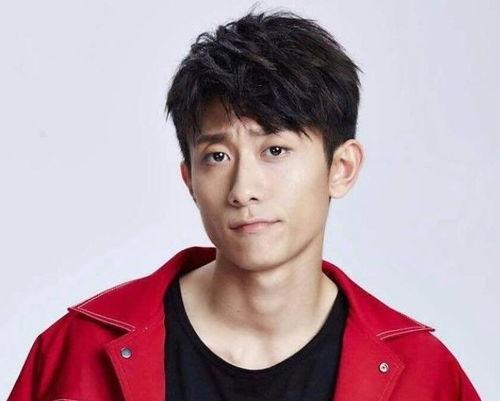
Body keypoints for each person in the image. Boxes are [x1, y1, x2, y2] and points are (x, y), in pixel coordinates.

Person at [8, 9, 482, 401]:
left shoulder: (425, 375)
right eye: (217, 156)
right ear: (190, 180)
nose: (243, 189)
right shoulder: (76, 350)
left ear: (341, 167)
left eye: (274, 150)